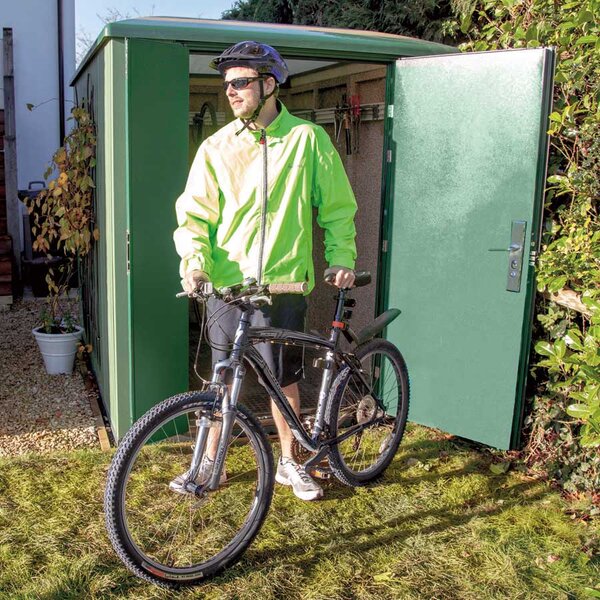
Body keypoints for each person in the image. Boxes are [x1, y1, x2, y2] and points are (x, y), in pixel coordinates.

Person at [172, 41, 358, 501]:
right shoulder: (216, 147)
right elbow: (194, 214)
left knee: (283, 379)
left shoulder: (307, 140)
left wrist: (341, 258)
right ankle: (211, 464)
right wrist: (194, 263)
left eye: (241, 82)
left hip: (283, 283)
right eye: (227, 84)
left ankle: (290, 463)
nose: (230, 92)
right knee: (221, 376)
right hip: (227, 287)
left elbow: (336, 208)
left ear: (269, 84)